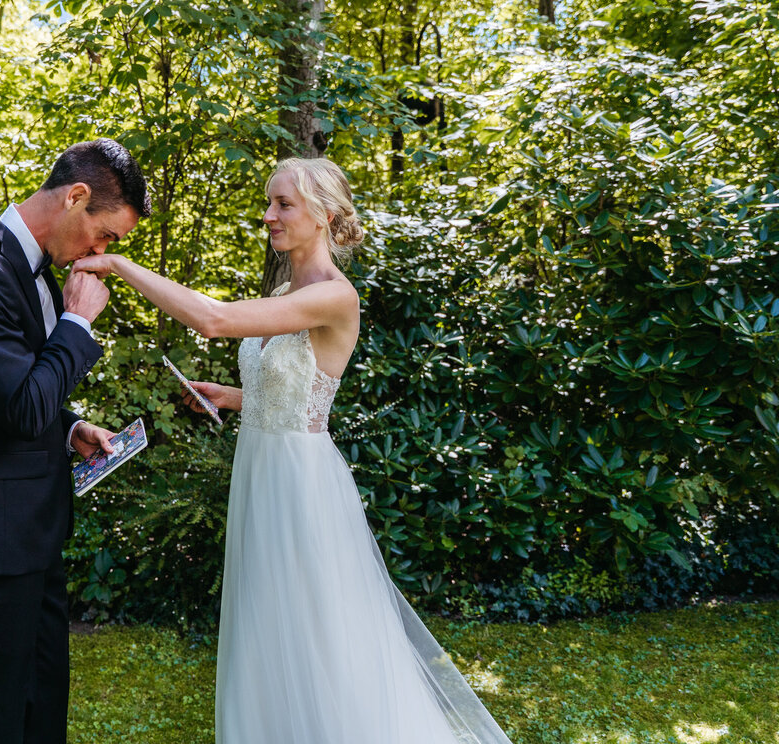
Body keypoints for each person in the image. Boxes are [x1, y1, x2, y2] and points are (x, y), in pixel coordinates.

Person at [74, 157, 513, 743]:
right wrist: (235, 397)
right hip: (259, 471)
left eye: (283, 204)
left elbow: (214, 319)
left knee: (315, 627)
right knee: (267, 620)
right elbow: (299, 387)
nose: (268, 215)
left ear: (325, 215)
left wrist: (119, 264)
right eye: (269, 202)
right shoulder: (286, 290)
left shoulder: (335, 297)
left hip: (299, 483)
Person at [0, 138, 151, 744]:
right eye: (104, 235)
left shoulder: (37, 271)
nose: (100, 252)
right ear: (76, 197)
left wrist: (71, 427)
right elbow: (22, 407)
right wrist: (77, 322)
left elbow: (18, 390)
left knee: (40, 713)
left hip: (33, 536)